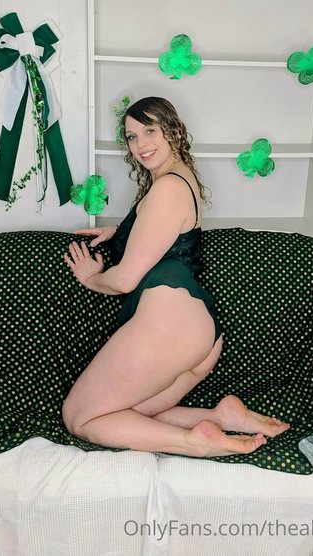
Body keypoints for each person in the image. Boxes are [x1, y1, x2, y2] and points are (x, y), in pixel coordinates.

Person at [62, 97, 289, 457]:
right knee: (125, 414)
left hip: (170, 328)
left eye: (150, 131)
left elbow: (124, 281)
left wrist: (92, 278)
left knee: (79, 418)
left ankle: (195, 442)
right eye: (132, 136)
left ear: (174, 131)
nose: (141, 144)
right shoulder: (179, 179)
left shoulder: (167, 188)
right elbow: (168, 235)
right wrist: (120, 233)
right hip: (193, 330)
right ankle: (222, 416)